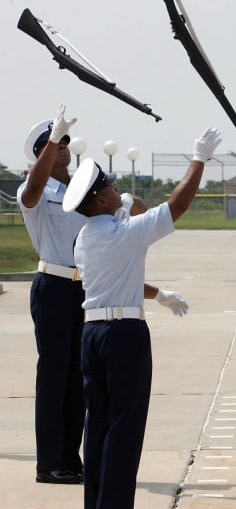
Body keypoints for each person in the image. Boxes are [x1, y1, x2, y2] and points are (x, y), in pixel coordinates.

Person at [62, 126, 222, 509]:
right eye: (112, 187)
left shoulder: (86, 237)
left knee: (97, 426)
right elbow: (176, 206)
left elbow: (118, 276)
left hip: (94, 333)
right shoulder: (124, 233)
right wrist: (199, 158)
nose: (118, 189)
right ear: (101, 199)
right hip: (123, 337)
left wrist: (158, 294)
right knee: (125, 429)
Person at [18, 104, 86, 485]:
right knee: (54, 375)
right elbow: (30, 193)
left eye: (65, 142)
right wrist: (52, 140)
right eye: (55, 143)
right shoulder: (37, 190)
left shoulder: (83, 187)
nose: (64, 148)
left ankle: (70, 458)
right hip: (54, 288)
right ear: (41, 152)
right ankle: (49, 463)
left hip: (84, 286)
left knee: (78, 377)